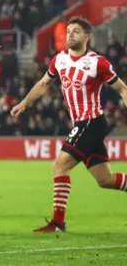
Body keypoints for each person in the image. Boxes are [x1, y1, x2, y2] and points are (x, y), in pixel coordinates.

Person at [11, 16, 127, 233]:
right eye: (68, 31)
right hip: (82, 124)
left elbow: (122, 88)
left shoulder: (97, 63)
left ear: (86, 37)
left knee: (60, 165)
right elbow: (44, 83)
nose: (70, 34)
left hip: (91, 121)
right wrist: (24, 102)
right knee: (105, 179)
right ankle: (57, 223)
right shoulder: (59, 60)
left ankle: (57, 223)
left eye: (75, 31)